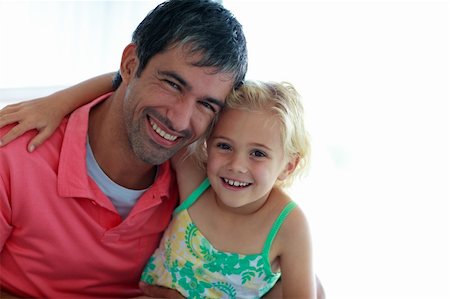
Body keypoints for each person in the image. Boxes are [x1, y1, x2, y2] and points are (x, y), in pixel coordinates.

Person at [0, 0, 248, 297]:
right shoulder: (13, 152)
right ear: (131, 64)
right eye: (171, 84)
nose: (179, 120)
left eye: (206, 104)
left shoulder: (199, 175)